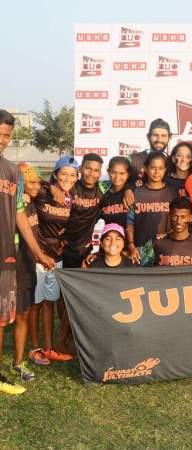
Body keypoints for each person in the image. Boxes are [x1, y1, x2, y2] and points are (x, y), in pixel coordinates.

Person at [0, 110, 55, 395]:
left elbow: (20, 214)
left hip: (9, 255)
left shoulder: (12, 172)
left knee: (7, 314)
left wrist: (38, 253)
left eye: (7, 135)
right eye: (0, 134)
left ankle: (12, 367)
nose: (2, 140)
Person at [29, 156, 78, 364]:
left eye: (72, 175)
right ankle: (35, 348)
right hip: (37, 256)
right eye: (63, 174)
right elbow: (27, 179)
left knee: (49, 302)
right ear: (55, 175)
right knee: (35, 304)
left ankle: (49, 348)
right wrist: (50, 187)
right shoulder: (42, 192)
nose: (68, 179)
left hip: (56, 257)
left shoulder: (71, 197)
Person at [11, 164, 42, 380]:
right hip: (7, 266)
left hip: (27, 266)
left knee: (23, 314)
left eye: (38, 182)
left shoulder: (34, 202)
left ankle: (18, 362)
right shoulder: (9, 204)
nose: (36, 186)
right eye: (30, 182)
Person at [126, 152, 177, 266]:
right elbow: (130, 222)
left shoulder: (173, 192)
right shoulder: (136, 192)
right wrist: (131, 245)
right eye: (153, 168)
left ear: (165, 170)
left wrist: (169, 234)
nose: (157, 172)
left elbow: (179, 219)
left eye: (161, 168)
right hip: (141, 251)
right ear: (145, 168)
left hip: (167, 250)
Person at [62, 153, 106, 269]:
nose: (91, 173)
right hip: (64, 247)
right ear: (80, 168)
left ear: (100, 173)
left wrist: (128, 189)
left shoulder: (103, 190)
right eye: (88, 168)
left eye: (96, 170)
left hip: (86, 248)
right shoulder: (69, 187)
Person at [153, 197, 192, 266]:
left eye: (183, 217)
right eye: (175, 216)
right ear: (169, 215)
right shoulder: (156, 244)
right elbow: (143, 268)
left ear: (190, 218)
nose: (179, 221)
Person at [129, 118, 172, 182]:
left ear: (170, 137)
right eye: (155, 135)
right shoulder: (132, 159)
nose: (159, 140)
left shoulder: (172, 162)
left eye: (163, 136)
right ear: (148, 136)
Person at [99, 156, 132, 229]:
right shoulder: (102, 193)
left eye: (122, 173)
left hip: (130, 235)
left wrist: (129, 189)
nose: (117, 176)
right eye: (113, 172)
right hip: (108, 234)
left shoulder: (133, 192)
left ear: (128, 174)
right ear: (108, 172)